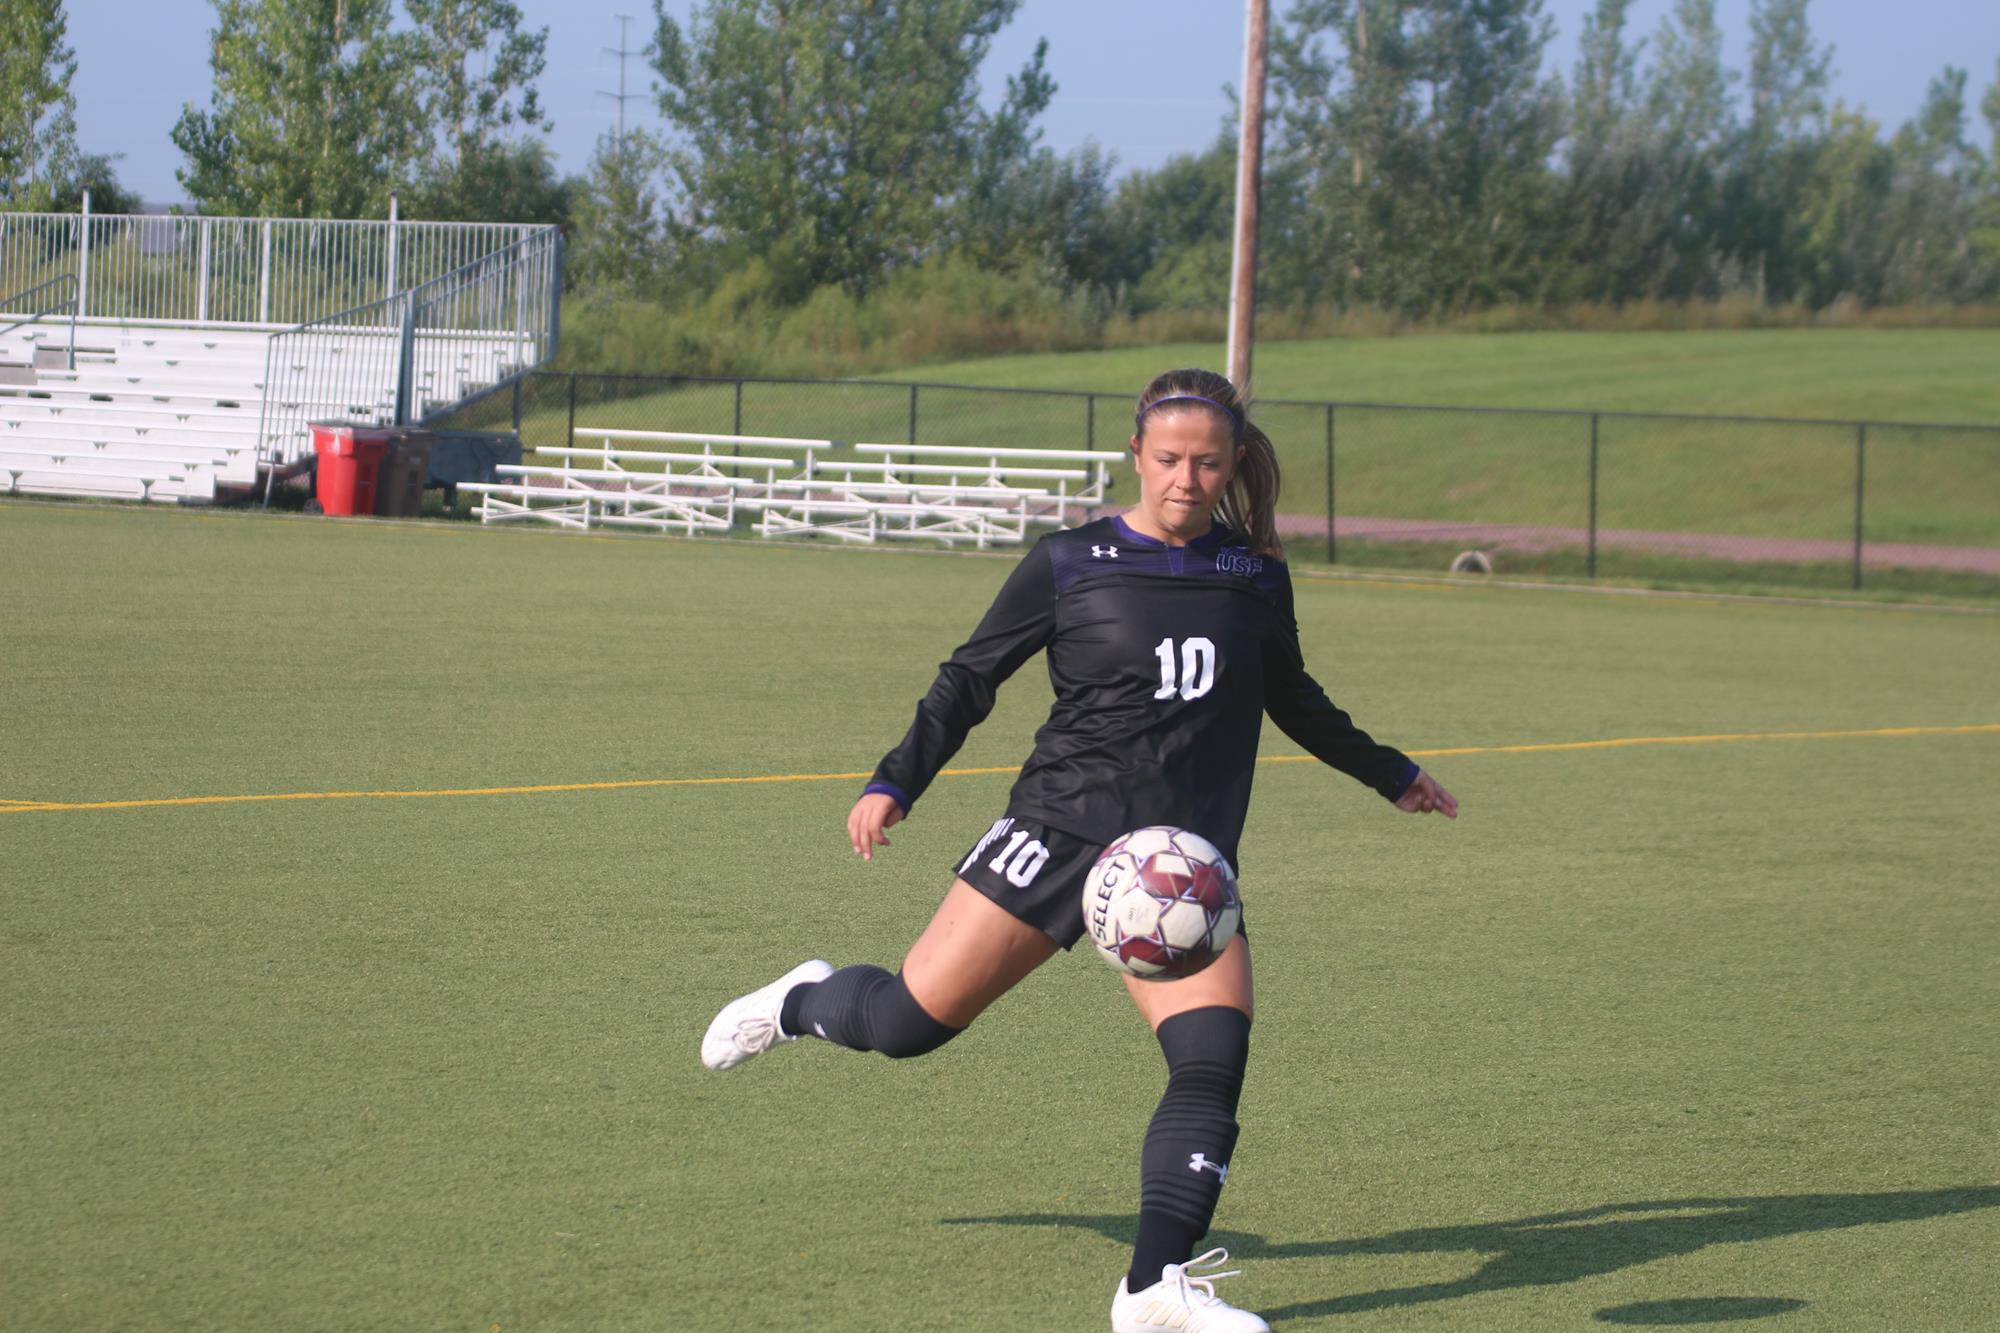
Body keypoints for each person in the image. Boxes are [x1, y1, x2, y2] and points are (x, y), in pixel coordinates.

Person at [701, 367, 1458, 1332]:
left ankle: (1151, 1290)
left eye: (1209, 462)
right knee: (906, 1024)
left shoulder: (1254, 575)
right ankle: (800, 1000)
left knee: (1211, 1057)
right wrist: (897, 779)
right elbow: (969, 678)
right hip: (1053, 834)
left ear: (1231, 468)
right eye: (1172, 458)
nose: (1189, 478)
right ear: (1137, 454)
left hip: (1177, 869)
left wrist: (1389, 771)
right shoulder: (1070, 560)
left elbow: (1293, 697)